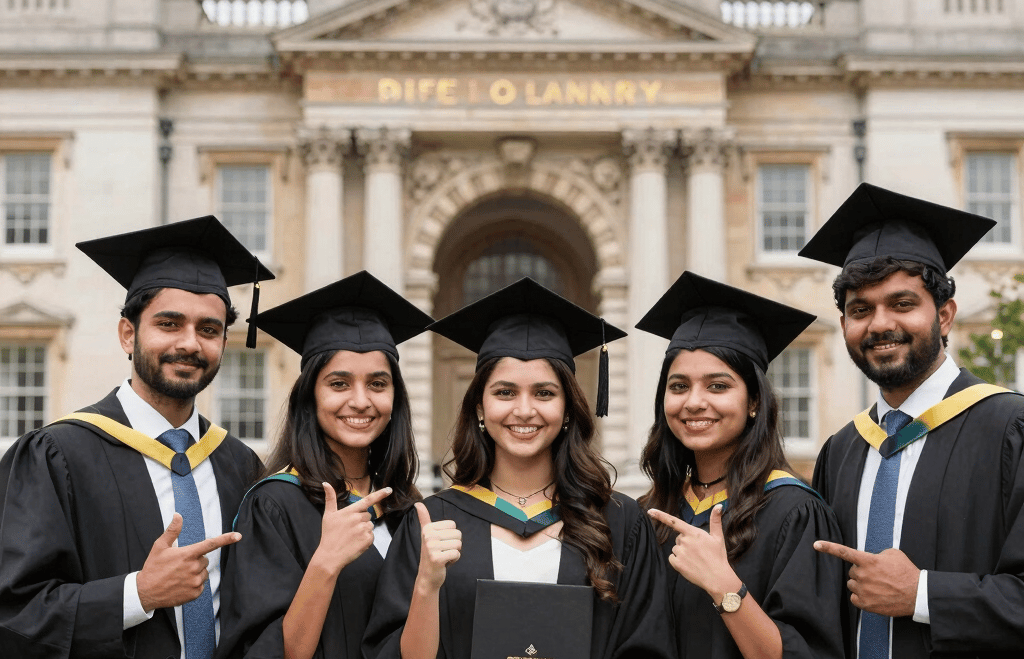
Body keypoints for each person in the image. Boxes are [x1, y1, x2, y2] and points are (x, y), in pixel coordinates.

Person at [0, 216, 273, 659]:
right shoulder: (58, 456)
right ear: (128, 334)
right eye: (169, 324)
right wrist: (138, 594)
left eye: (209, 330)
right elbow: (15, 615)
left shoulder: (239, 466)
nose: (190, 343)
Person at [363, 278, 675, 659]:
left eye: (544, 393)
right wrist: (426, 586)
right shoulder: (431, 522)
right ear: (479, 407)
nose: (524, 410)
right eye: (505, 392)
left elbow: (649, 646)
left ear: (566, 410)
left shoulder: (621, 521)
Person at [800, 182, 1024, 658]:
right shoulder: (842, 451)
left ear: (944, 316)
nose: (880, 324)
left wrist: (922, 595)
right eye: (860, 310)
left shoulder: (1012, 430)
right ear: (844, 327)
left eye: (902, 304)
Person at [216, 270, 431, 659]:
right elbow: (259, 650)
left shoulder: (406, 504)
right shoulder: (274, 505)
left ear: (396, 398)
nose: (362, 400)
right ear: (310, 396)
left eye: (378, 384)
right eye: (339, 384)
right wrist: (326, 562)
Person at [637, 271, 845, 659]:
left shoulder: (794, 513)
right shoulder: (651, 513)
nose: (694, 402)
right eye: (679, 386)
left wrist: (724, 586)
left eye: (718, 386)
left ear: (754, 403)